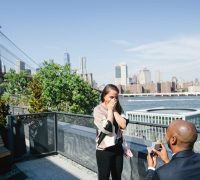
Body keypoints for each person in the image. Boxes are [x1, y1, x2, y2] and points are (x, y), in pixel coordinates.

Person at [93, 84, 128, 180]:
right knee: (104, 177)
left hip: (117, 148)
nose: (114, 100)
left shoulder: (119, 109)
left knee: (117, 177)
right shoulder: (98, 110)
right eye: (111, 97)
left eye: (116, 97)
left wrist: (114, 110)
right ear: (104, 96)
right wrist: (109, 110)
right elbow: (106, 129)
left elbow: (123, 124)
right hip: (104, 150)